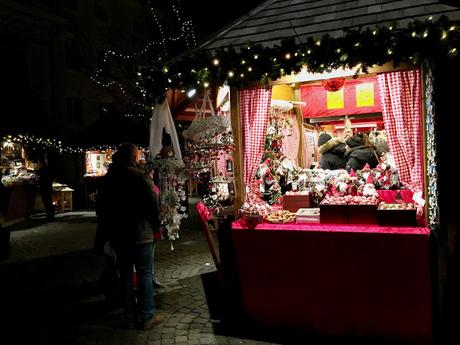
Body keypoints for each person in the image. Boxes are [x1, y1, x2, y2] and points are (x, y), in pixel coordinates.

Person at [97, 143, 164, 330]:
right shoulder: (139, 177)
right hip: (140, 233)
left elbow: (101, 208)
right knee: (144, 274)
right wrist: (156, 225)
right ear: (133, 157)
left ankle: (129, 316)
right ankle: (147, 315)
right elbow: (153, 205)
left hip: (119, 235)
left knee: (126, 276)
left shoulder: (110, 179)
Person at [143, 162, 164, 288]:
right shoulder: (149, 186)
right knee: (148, 256)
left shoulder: (151, 185)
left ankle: (151, 277)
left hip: (153, 224)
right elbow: (153, 207)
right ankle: (150, 278)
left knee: (150, 254)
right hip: (151, 225)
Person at [37, 156, 55, 221]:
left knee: (47, 202)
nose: (38, 164)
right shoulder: (46, 169)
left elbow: (42, 179)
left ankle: (50, 216)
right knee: (48, 202)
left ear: (41, 163)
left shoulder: (42, 170)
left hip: (45, 188)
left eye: (38, 163)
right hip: (48, 188)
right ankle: (51, 216)